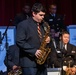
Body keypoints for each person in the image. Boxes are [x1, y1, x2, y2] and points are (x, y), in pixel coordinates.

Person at [16, 3, 51, 75]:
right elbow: (20, 41)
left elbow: (45, 37)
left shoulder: (44, 25)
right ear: (34, 14)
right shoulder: (23, 25)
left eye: (44, 15)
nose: (43, 17)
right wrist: (34, 51)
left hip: (42, 63)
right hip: (29, 63)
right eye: (40, 15)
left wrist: (48, 39)